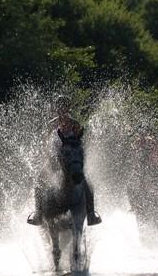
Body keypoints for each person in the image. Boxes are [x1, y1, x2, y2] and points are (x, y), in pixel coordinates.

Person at [27, 95, 102, 226]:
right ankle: (38, 214)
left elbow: (79, 143)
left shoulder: (75, 124)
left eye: (64, 107)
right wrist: (49, 157)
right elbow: (45, 145)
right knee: (39, 180)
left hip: (71, 160)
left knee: (88, 183)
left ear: (68, 108)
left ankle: (91, 214)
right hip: (54, 159)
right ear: (56, 109)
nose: (62, 110)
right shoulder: (51, 125)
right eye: (59, 107)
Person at [130, 133, 158, 219]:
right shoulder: (136, 144)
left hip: (155, 167)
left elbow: (157, 155)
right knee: (130, 185)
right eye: (139, 135)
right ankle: (134, 206)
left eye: (143, 134)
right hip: (141, 169)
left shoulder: (151, 142)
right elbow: (134, 158)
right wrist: (137, 168)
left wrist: (153, 163)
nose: (141, 136)